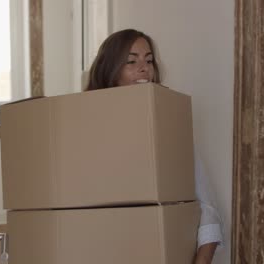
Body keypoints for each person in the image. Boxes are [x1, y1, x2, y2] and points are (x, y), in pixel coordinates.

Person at [85, 29, 223, 264]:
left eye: (149, 60)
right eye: (131, 61)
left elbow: (206, 208)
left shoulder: (172, 132)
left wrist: (202, 261)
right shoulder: (83, 132)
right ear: (110, 70)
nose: (144, 68)